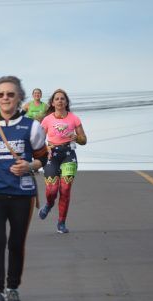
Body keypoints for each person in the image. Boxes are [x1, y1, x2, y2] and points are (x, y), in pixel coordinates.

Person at [0, 76, 48, 301]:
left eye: (11, 94)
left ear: (20, 98)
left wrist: (29, 166)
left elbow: (43, 157)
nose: (5, 98)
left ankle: (13, 289)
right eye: (1, 94)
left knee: (16, 242)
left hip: (22, 193)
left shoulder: (32, 126)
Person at [38, 88, 87, 233]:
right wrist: (44, 149)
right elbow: (38, 140)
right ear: (52, 103)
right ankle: (48, 204)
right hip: (51, 155)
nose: (60, 100)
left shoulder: (74, 118)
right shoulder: (47, 119)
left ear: (66, 102)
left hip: (68, 155)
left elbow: (84, 140)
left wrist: (76, 138)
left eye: (62, 98)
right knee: (52, 190)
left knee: (65, 189)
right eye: (57, 99)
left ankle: (61, 223)